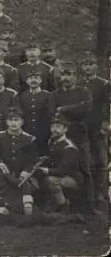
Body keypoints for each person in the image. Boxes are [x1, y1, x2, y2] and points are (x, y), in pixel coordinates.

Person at [0, 145, 82, 226]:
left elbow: (22, 183)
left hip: (18, 203)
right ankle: (52, 217)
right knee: (21, 222)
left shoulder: (0, 173)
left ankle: (69, 218)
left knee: (37, 217)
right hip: (3, 210)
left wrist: (27, 200)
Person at [50, 61, 94, 211]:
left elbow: (86, 108)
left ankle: (89, 204)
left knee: (85, 169)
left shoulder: (84, 92)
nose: (65, 78)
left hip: (80, 136)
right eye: (63, 74)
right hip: (61, 138)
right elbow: (53, 112)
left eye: (69, 74)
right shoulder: (55, 94)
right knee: (62, 169)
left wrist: (63, 109)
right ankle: (63, 204)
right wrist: (74, 110)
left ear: (75, 76)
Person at [35, 114, 87, 213]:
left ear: (65, 129)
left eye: (58, 127)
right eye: (53, 126)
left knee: (50, 181)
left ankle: (63, 205)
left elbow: (65, 170)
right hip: (60, 174)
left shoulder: (69, 147)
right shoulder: (52, 140)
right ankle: (50, 203)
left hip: (73, 178)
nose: (54, 129)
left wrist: (46, 170)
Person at [78, 52, 111, 203]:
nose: (88, 68)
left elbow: (107, 105)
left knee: (101, 161)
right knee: (85, 159)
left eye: (91, 64)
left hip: (98, 127)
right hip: (82, 127)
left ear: (97, 66)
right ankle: (86, 192)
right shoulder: (78, 84)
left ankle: (101, 192)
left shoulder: (104, 84)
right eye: (85, 65)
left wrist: (105, 124)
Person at [0, 107, 38, 180]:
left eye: (16, 120)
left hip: (22, 175)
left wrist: (26, 170)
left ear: (22, 122)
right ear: (6, 122)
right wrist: (0, 163)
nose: (13, 123)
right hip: (3, 173)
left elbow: (32, 159)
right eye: (10, 120)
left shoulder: (29, 139)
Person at [19, 69, 53, 154]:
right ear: (27, 81)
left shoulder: (48, 95)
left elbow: (51, 114)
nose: (33, 80)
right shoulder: (22, 96)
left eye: (36, 78)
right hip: (27, 132)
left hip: (44, 133)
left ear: (41, 80)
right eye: (30, 78)